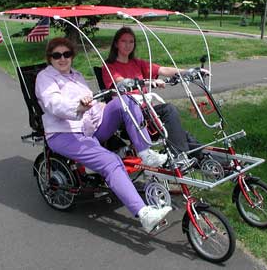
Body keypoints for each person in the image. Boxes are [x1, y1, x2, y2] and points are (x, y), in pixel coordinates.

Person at [35, 37, 172, 233]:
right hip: (64, 133)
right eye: (56, 55)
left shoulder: (77, 75)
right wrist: (78, 106)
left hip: (90, 128)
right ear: (50, 58)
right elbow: (54, 103)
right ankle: (144, 214)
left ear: (72, 56)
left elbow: (94, 104)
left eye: (67, 54)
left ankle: (145, 151)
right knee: (111, 160)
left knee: (126, 100)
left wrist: (103, 107)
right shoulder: (45, 78)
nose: (62, 58)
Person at [102, 27, 206, 155]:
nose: (128, 45)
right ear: (116, 44)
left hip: (147, 112)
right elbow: (121, 82)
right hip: (129, 114)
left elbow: (163, 70)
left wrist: (188, 72)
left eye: (131, 41)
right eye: (124, 41)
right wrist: (147, 82)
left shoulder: (137, 63)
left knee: (180, 135)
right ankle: (180, 156)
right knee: (169, 110)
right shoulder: (109, 67)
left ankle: (210, 161)